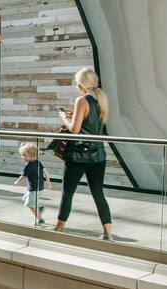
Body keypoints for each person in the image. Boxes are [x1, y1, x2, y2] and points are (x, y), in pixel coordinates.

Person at [56, 67, 114, 240]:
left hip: (79, 155)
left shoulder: (81, 100)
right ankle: (108, 233)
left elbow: (74, 130)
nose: (76, 86)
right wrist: (75, 115)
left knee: (68, 192)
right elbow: (92, 122)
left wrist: (64, 118)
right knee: (98, 193)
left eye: (76, 83)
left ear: (81, 84)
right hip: (98, 155)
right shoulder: (101, 99)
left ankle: (59, 227)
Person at [13, 143, 52, 226]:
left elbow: (23, 176)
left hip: (34, 189)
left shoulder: (28, 166)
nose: (22, 157)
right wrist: (48, 182)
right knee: (26, 199)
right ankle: (39, 208)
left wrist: (17, 182)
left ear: (31, 155)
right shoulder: (38, 162)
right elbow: (45, 172)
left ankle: (40, 220)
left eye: (24, 155)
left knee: (30, 205)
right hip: (40, 188)